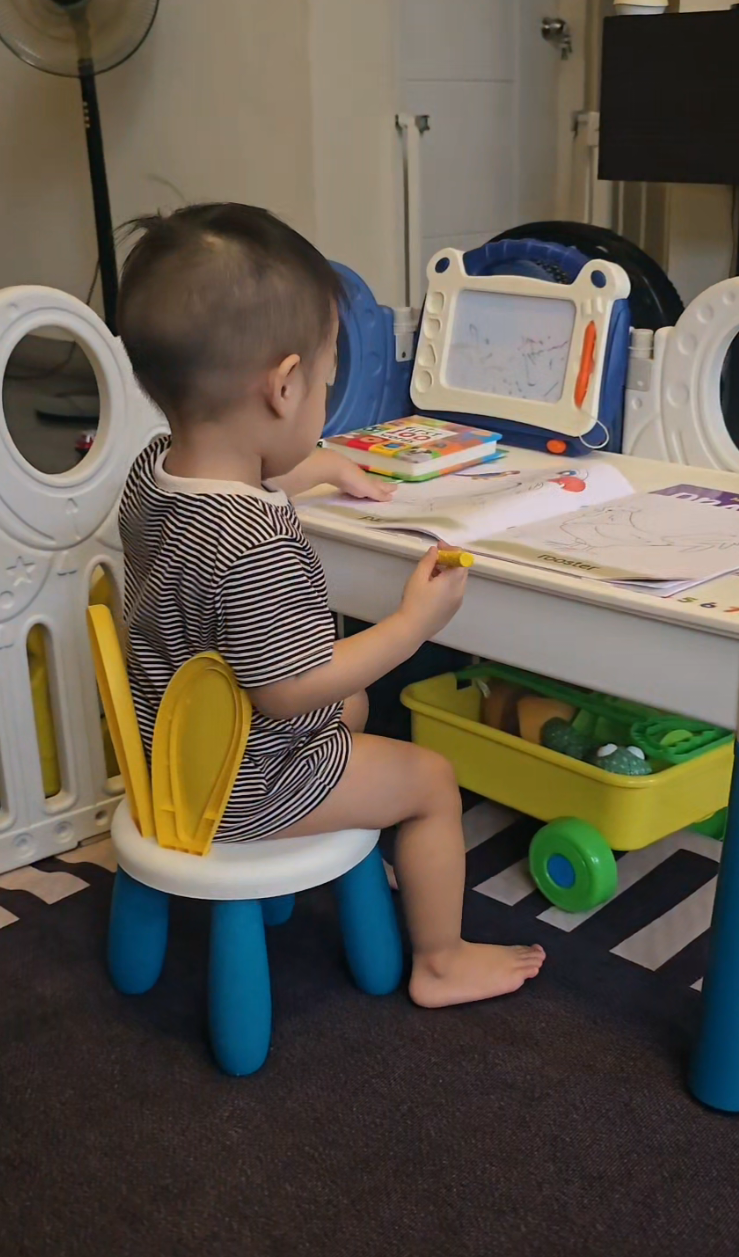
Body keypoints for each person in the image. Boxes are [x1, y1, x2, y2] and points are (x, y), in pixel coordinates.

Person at [116, 203, 545, 1007]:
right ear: (282, 387)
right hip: (244, 784)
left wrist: (310, 472)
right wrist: (412, 625)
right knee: (429, 777)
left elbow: (225, 489)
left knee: (349, 702)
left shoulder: (151, 473)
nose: (325, 398)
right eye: (324, 378)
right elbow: (288, 687)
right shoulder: (255, 542)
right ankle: (442, 958)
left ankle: (372, 850)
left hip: (167, 753)